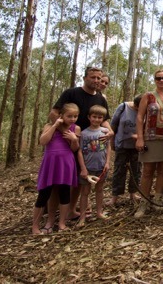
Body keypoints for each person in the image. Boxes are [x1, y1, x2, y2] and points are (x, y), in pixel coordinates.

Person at [48, 66, 112, 221]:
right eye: (93, 77)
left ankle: (70, 210)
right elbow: (54, 113)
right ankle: (51, 215)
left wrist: (110, 132)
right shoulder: (71, 93)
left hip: (89, 148)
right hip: (65, 144)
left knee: (78, 180)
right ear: (85, 78)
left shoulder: (100, 99)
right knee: (60, 180)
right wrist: (67, 133)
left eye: (98, 78)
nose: (96, 80)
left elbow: (104, 119)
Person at [134, 70, 163, 218]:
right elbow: (140, 117)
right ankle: (144, 202)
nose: (162, 81)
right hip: (151, 138)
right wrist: (140, 138)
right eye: (158, 78)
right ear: (155, 80)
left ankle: (158, 201)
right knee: (147, 171)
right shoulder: (148, 96)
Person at [32, 103, 80, 234]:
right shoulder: (49, 126)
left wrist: (74, 140)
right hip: (50, 164)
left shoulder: (75, 128)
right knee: (44, 195)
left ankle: (62, 223)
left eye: (75, 116)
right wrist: (55, 126)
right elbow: (43, 141)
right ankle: (36, 226)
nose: (72, 119)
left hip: (66, 164)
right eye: (69, 116)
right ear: (61, 115)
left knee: (65, 194)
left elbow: (74, 149)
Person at [77, 105, 111, 227]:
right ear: (89, 117)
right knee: (85, 191)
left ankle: (99, 212)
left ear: (103, 119)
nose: (96, 119)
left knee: (100, 189)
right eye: (94, 117)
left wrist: (107, 162)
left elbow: (108, 147)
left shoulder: (105, 132)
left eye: (99, 117)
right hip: (88, 167)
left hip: (101, 166)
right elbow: (79, 151)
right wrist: (83, 168)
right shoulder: (84, 133)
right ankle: (82, 217)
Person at [108, 95, 142, 206]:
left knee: (136, 170)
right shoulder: (123, 107)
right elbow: (113, 125)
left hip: (137, 146)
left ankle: (133, 193)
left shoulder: (146, 110)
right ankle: (115, 197)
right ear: (136, 105)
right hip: (122, 144)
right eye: (138, 108)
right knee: (119, 170)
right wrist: (112, 142)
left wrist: (140, 137)